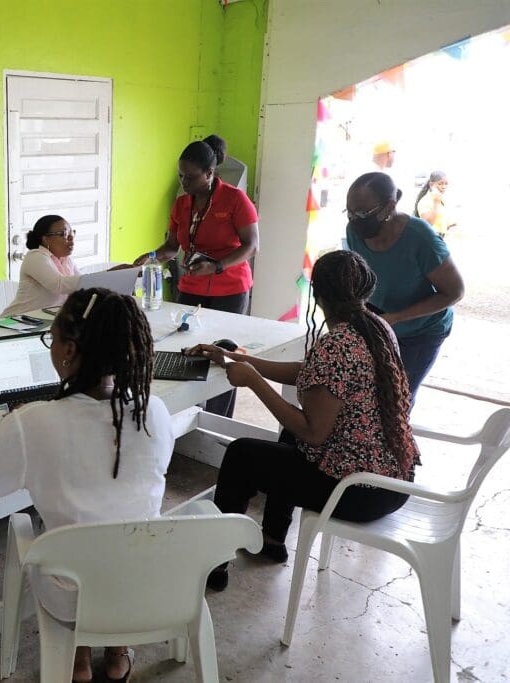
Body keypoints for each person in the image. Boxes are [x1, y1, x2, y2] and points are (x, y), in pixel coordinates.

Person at [0, 288, 176, 683]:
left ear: (68, 350)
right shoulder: (155, 411)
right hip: (146, 582)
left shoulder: (35, 423)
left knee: (70, 540)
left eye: (53, 337)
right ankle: (117, 656)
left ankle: (77, 663)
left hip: (72, 594)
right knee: (110, 528)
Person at [188, 250, 420, 591]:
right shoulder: (375, 326)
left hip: (358, 492)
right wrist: (235, 358)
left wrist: (253, 380)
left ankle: (215, 565)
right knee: (286, 439)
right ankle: (272, 541)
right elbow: (312, 375)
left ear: (318, 293)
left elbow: (313, 433)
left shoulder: (337, 344)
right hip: (392, 479)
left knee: (242, 454)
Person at [135, 134, 259, 417]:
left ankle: (218, 419)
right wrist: (150, 258)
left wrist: (216, 266)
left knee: (225, 355)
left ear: (210, 173)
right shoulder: (182, 204)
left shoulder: (235, 199)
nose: (184, 183)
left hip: (229, 288)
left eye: (190, 177)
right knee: (186, 350)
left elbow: (252, 245)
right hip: (191, 286)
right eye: (181, 176)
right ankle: (189, 414)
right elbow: (171, 247)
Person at [345, 172, 464, 402]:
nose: (354, 219)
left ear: (389, 206)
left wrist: (396, 317)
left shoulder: (421, 239)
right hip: (381, 321)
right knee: (363, 395)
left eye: (362, 213)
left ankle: (396, 438)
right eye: (349, 212)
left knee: (396, 401)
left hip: (421, 331)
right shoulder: (355, 231)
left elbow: (455, 292)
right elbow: (360, 278)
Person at [1, 214, 81, 317]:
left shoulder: (66, 260)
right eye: (64, 234)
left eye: (72, 233)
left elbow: (82, 287)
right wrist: (100, 277)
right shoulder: (34, 256)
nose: (71, 238)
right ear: (46, 239)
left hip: (44, 323)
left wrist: (105, 276)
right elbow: (59, 285)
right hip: (15, 323)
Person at [414, 170, 456, 239]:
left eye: (446, 184)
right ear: (431, 185)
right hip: (430, 239)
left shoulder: (442, 200)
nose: (444, 187)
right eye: (440, 184)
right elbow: (427, 224)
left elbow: (449, 223)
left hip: (442, 239)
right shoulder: (425, 201)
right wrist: (436, 203)